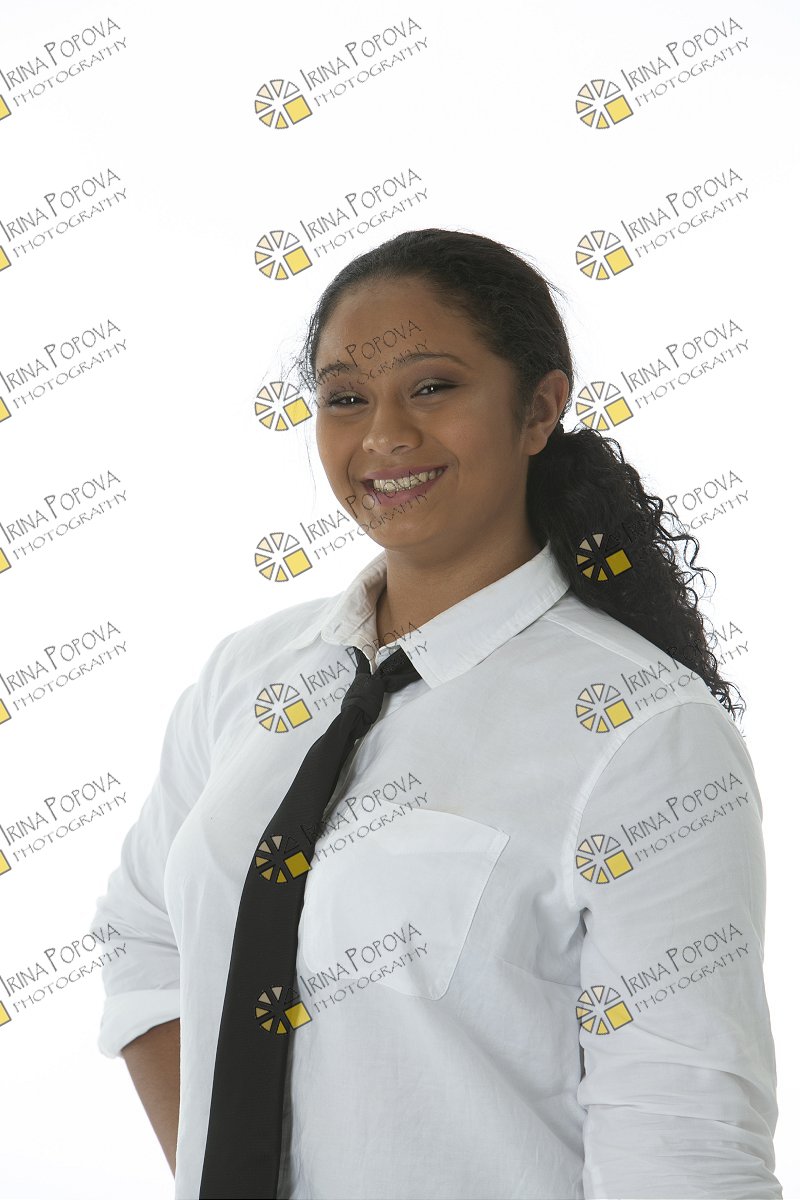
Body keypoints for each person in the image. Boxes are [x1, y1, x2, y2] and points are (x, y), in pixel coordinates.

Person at [90, 227, 782, 1200]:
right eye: (345, 398)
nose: (384, 435)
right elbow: (142, 937)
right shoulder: (250, 677)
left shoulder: (643, 733)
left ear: (538, 407)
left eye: (431, 387)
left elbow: (687, 1149)